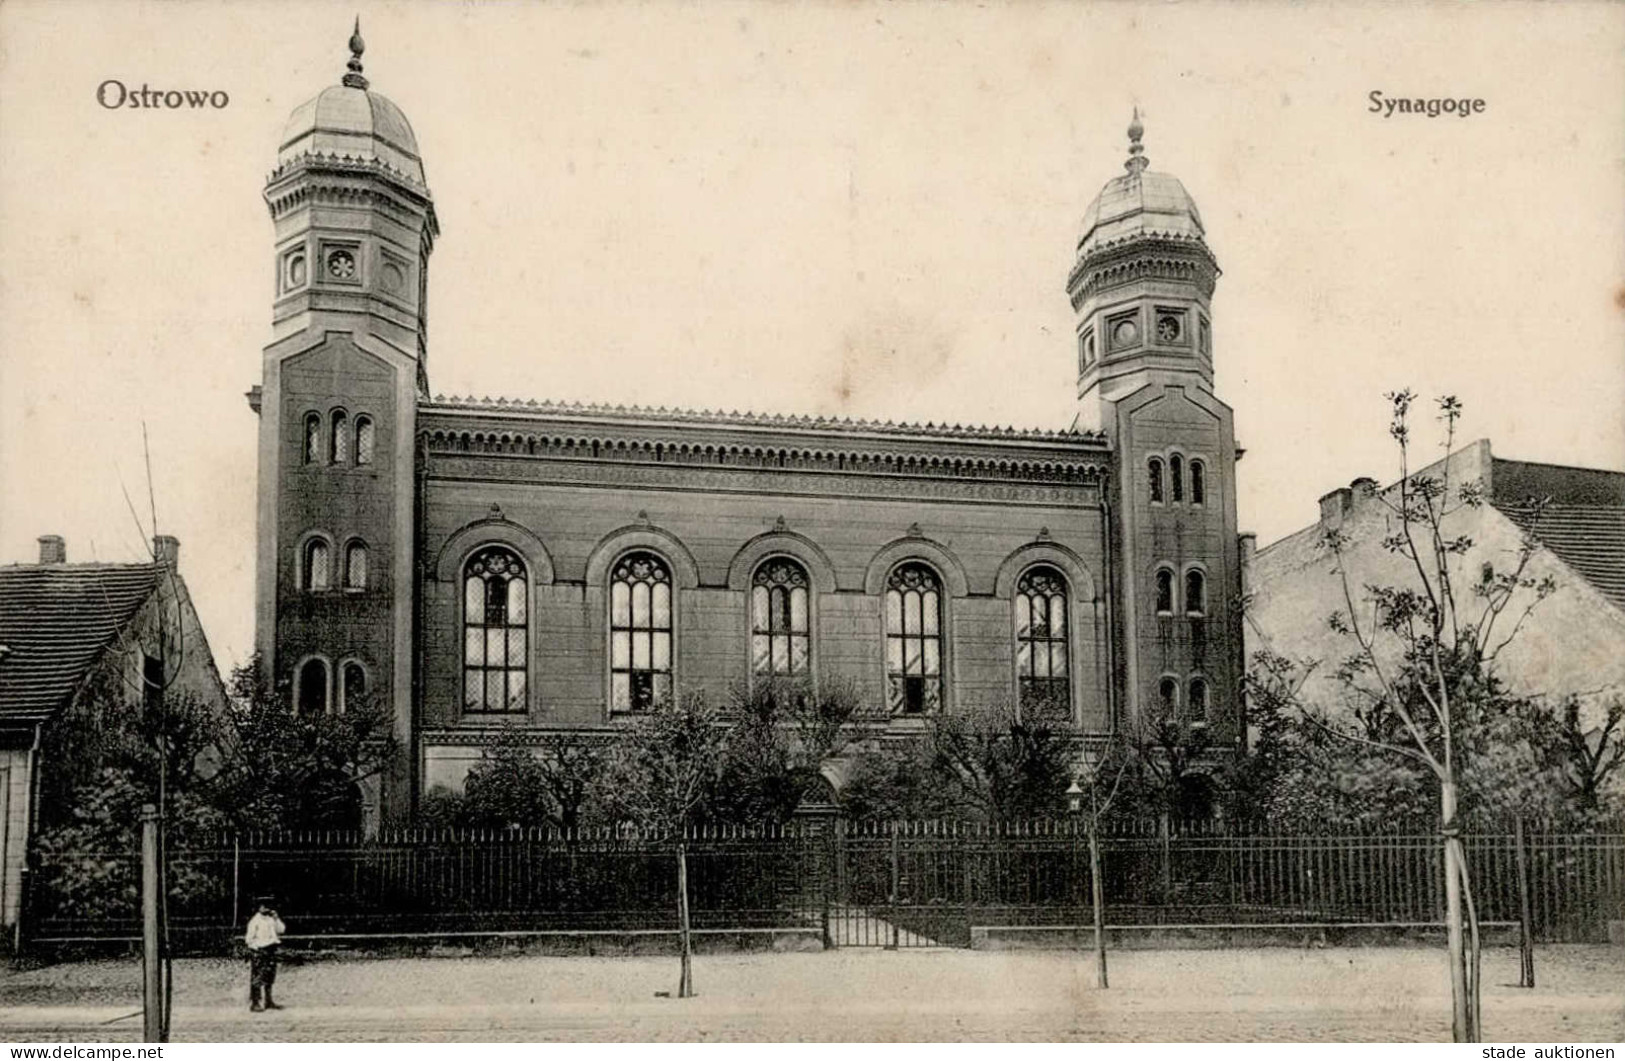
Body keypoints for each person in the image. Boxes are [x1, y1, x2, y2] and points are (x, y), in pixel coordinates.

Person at [244, 897, 286, 1012]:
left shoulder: (271, 919)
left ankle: (268, 1000)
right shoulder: (255, 921)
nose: (266, 908)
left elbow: (281, 930)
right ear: (259, 908)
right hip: (260, 950)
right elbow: (249, 939)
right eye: (263, 906)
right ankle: (255, 1002)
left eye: (267, 906)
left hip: (271, 948)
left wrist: (276, 919)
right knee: (258, 977)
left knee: (270, 976)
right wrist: (256, 950)